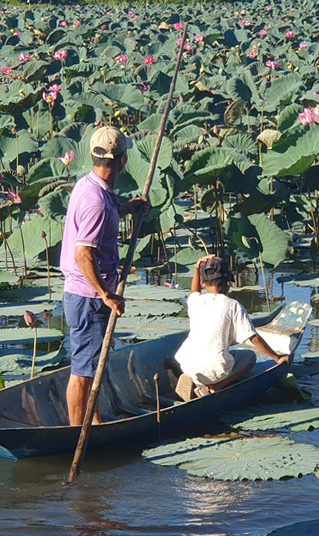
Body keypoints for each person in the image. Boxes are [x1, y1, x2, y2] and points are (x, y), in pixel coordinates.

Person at [61, 125, 147, 426]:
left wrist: (125, 209)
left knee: (93, 364)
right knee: (84, 371)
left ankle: (94, 423)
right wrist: (106, 295)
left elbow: (103, 217)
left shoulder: (93, 187)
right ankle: (76, 432)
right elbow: (83, 255)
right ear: (121, 160)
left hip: (88, 295)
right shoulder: (95, 200)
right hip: (88, 297)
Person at [172, 255, 290, 401]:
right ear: (229, 283)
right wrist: (277, 357)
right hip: (215, 370)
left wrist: (197, 268)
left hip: (186, 364)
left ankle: (193, 379)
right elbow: (254, 338)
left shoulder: (196, 301)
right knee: (249, 357)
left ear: (203, 284)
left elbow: (194, 291)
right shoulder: (233, 305)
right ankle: (216, 386)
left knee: (205, 357)